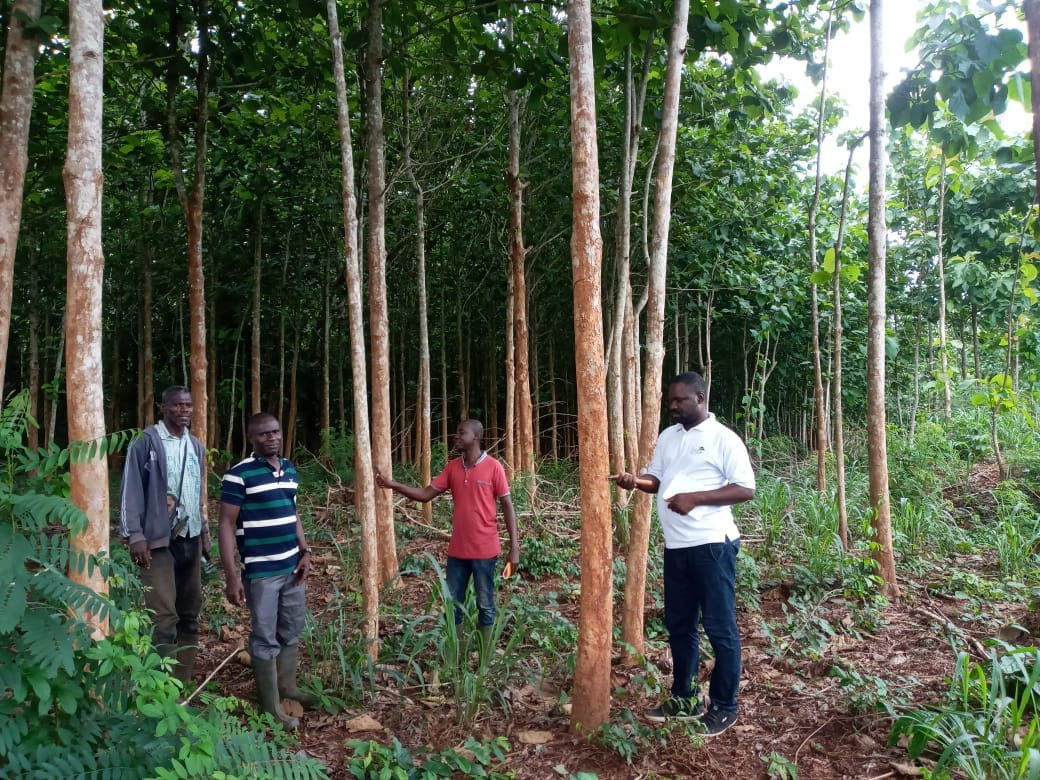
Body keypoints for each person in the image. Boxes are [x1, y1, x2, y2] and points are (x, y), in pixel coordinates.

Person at [610, 371, 755, 737]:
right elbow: (657, 481)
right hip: (676, 548)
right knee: (680, 625)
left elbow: (745, 488)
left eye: (680, 400)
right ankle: (685, 697)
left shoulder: (723, 439)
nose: (673, 406)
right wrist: (634, 481)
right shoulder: (669, 437)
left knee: (720, 628)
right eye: (670, 401)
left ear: (700, 398)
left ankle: (725, 706)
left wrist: (696, 499)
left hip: (712, 545)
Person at [375, 419, 519, 652]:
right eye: (457, 432)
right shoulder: (452, 468)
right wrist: (393, 485)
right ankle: (457, 658)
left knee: (485, 605)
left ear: (476, 437)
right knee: (453, 605)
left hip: (485, 550)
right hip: (457, 552)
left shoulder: (494, 467)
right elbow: (425, 495)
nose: (456, 436)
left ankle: (484, 663)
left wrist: (515, 548)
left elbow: (508, 506)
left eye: (462, 432)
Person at [218, 413, 319, 730]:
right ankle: (271, 707)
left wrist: (305, 552)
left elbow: (293, 513)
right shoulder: (238, 476)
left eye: (275, 431)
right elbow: (225, 524)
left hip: (292, 566)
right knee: (264, 635)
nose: (271, 438)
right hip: (260, 571)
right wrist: (232, 576)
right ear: (252, 438)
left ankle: (287, 688)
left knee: (290, 628)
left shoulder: (289, 469)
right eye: (263, 434)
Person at [120, 385, 209, 688]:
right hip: (157, 541)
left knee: (189, 612)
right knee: (163, 616)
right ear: (163, 407)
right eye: (177, 405)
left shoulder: (196, 446)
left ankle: (181, 683)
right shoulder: (146, 442)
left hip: (191, 537)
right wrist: (135, 536)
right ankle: (160, 687)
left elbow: (198, 493)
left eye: (188, 405)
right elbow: (130, 490)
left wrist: (205, 530)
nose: (184, 410)